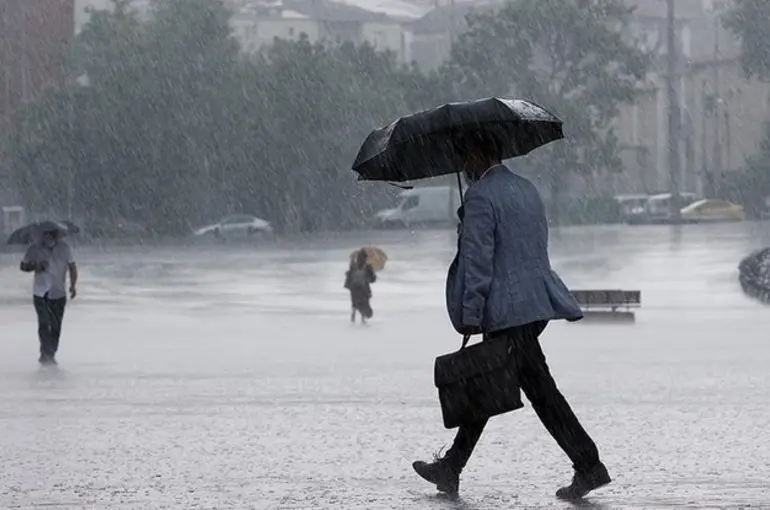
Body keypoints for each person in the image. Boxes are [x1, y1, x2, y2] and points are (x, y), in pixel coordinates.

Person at [412, 134, 610, 500]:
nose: (462, 167)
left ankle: (589, 464)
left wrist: (471, 313)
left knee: (538, 392)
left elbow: (478, 262)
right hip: (533, 305)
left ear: (476, 153)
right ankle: (451, 467)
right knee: (488, 384)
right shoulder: (526, 189)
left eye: (463, 158)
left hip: (506, 312)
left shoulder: (481, 196)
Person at [19, 228, 78, 365]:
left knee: (56, 325)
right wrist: (35, 266)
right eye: (46, 234)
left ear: (56, 235)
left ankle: (50, 353)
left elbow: (72, 266)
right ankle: (45, 353)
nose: (48, 237)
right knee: (44, 323)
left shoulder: (65, 248)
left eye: (51, 234)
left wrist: (73, 285)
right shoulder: (34, 249)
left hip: (58, 292)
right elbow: (23, 266)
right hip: (40, 292)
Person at [344, 249, 376, 324]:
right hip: (360, 288)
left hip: (358, 288)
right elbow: (372, 279)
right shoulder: (365, 267)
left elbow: (349, 276)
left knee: (357, 303)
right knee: (361, 303)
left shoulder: (356, 266)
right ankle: (360, 319)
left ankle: (356, 318)